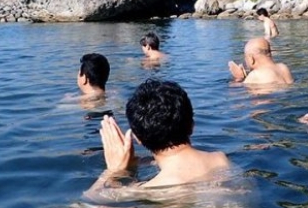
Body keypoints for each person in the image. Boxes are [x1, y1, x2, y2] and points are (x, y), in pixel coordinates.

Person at [86, 79, 231, 195]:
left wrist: (113, 172)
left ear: (137, 138)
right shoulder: (221, 160)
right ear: (192, 124)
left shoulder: (148, 191)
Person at [228, 37, 293, 85]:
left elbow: (238, 95)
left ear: (251, 59)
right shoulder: (283, 67)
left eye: (246, 57)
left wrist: (238, 78)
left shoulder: (255, 75)